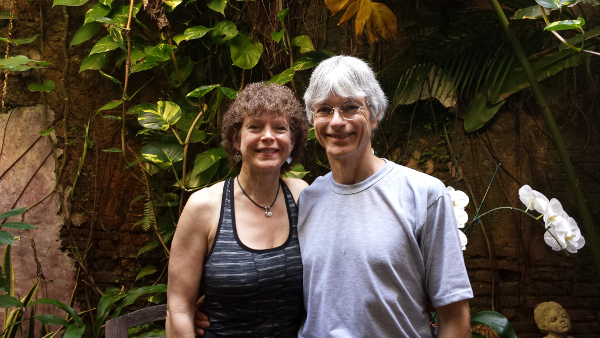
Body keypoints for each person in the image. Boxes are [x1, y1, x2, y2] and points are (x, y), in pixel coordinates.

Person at [297, 55, 473, 337]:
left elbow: (455, 317)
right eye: (324, 109)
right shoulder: (307, 200)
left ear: (376, 114)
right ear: (312, 119)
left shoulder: (423, 195)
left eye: (351, 107)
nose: (337, 121)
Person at [167, 82, 309, 337]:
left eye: (280, 128)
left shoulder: (301, 196)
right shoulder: (205, 207)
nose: (268, 136)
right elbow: (179, 308)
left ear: (293, 139)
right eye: (255, 127)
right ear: (236, 139)